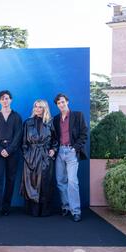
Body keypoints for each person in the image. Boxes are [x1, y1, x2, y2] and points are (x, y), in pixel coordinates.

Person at [0, 90, 23, 219]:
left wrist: (9, 149)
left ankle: (6, 207)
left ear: (11, 100)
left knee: (10, 179)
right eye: (2, 99)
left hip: (12, 152)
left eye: (7, 98)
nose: (5, 100)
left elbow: (18, 135)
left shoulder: (17, 117)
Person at [53, 93, 88, 222]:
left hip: (72, 151)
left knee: (72, 181)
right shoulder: (56, 119)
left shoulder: (78, 115)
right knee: (60, 181)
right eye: (58, 103)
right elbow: (54, 137)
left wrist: (75, 148)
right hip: (60, 151)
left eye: (63, 102)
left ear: (67, 101)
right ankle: (65, 207)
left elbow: (84, 133)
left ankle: (76, 211)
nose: (61, 104)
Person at [21, 100, 58, 217]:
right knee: (31, 183)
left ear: (44, 109)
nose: (37, 109)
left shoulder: (50, 122)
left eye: (40, 107)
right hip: (31, 157)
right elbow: (23, 143)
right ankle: (33, 211)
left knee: (45, 183)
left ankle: (45, 211)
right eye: (35, 106)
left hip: (45, 157)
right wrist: (27, 155)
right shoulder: (28, 122)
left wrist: (53, 150)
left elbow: (55, 140)